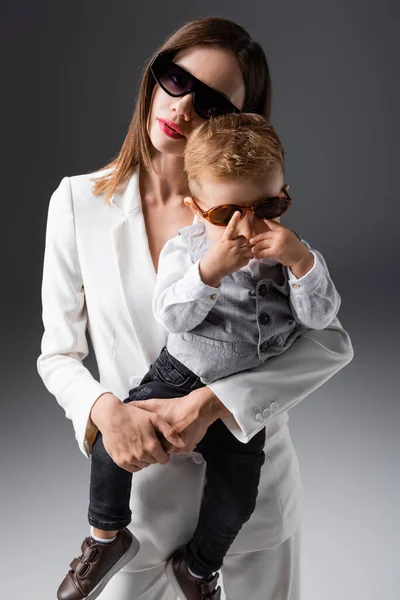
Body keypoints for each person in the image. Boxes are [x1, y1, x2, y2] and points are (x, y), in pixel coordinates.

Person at [37, 17, 354, 600]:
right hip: (140, 501)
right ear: (154, 77)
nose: (181, 109)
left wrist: (214, 404)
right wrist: (106, 412)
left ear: (239, 122)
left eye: (208, 103)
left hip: (252, 506)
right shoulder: (77, 202)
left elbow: (330, 339)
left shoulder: (252, 216)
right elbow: (57, 354)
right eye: (175, 79)